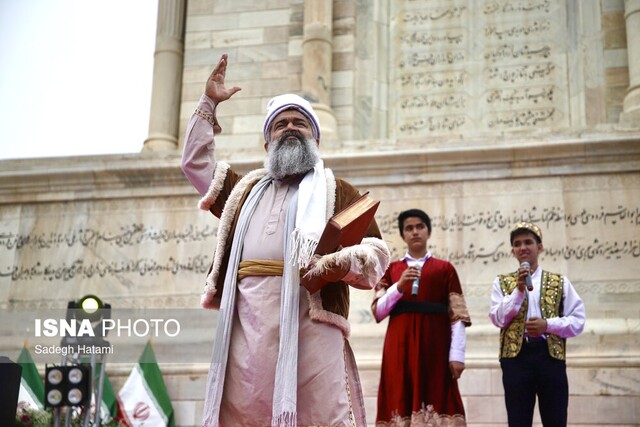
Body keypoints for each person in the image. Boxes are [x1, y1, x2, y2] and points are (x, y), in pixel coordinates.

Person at [181, 53, 391, 427]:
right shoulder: (242, 191)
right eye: (281, 124)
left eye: (300, 123)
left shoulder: (336, 190)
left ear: (315, 137)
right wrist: (208, 103)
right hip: (248, 324)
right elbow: (195, 164)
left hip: (311, 319)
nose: (290, 128)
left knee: (320, 414)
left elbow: (377, 253)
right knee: (246, 413)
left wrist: (337, 263)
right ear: (267, 143)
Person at [371, 209, 471, 426]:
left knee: (438, 397)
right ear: (403, 235)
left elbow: (458, 316)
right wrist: (399, 287)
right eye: (409, 228)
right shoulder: (391, 270)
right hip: (400, 348)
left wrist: (457, 355)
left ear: (428, 231)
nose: (415, 232)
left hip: (435, 349)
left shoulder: (445, 269)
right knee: (400, 397)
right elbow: (378, 311)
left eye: (419, 227)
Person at [488, 222, 586, 427]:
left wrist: (547, 325)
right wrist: (518, 291)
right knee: (518, 420)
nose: (522, 247)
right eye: (517, 244)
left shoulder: (559, 281)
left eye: (528, 242)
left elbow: (578, 320)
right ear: (512, 251)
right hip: (516, 358)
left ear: (539, 247)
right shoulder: (503, 282)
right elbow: (498, 319)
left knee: (555, 418)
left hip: (549, 357)